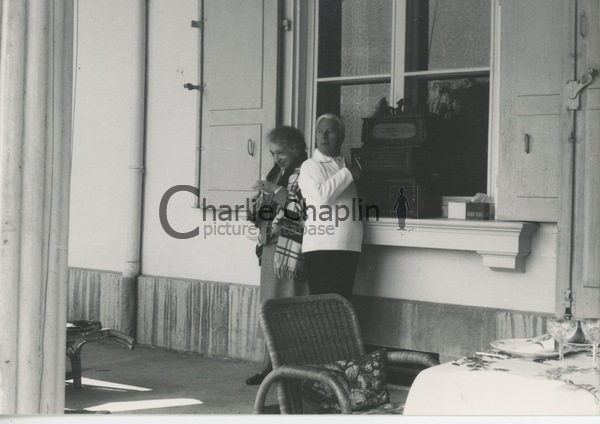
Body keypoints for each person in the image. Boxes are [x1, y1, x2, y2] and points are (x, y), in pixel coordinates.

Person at [246, 126, 309, 385]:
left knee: (292, 307)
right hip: (272, 247)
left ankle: (289, 368)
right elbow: (265, 211)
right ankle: (269, 365)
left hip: (293, 251)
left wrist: (273, 190)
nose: (276, 158)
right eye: (273, 153)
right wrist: (255, 207)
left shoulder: (306, 170)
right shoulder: (277, 172)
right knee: (270, 306)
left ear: (296, 149)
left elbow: (301, 211)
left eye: (281, 152)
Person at [298, 114, 363, 301]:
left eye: (330, 132)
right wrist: (348, 173)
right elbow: (323, 196)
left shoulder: (343, 165)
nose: (324, 137)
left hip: (348, 244)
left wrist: (347, 171)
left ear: (342, 137)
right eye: (320, 132)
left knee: (342, 307)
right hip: (322, 245)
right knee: (324, 309)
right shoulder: (310, 166)